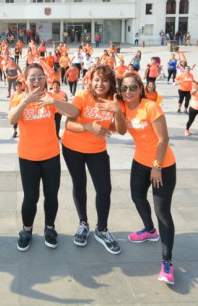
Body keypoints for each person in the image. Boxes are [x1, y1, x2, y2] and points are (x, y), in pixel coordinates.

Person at [8, 64, 79, 251]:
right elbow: (12, 120)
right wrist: (25, 101)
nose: (36, 81)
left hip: (51, 156)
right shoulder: (17, 99)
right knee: (30, 197)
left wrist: (54, 103)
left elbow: (74, 112)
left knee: (51, 195)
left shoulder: (52, 98)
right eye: (32, 78)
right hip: (28, 156)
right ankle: (26, 230)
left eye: (40, 77)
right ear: (25, 80)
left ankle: (50, 228)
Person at [116, 72, 176, 285]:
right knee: (137, 197)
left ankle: (167, 262)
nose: (128, 92)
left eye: (133, 87)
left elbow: (163, 139)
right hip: (140, 161)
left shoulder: (151, 107)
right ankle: (150, 230)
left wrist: (157, 166)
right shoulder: (123, 107)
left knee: (162, 211)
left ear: (140, 89)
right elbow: (121, 131)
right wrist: (115, 109)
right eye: (124, 88)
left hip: (163, 165)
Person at [62, 64, 126, 255]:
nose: (100, 84)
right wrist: (89, 127)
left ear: (111, 82)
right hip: (72, 148)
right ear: (90, 80)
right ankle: (83, 223)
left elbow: (121, 130)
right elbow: (69, 124)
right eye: (96, 79)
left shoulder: (115, 100)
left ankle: (102, 229)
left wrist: (118, 111)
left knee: (104, 188)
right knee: (79, 184)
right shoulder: (82, 96)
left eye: (104, 80)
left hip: (97, 150)